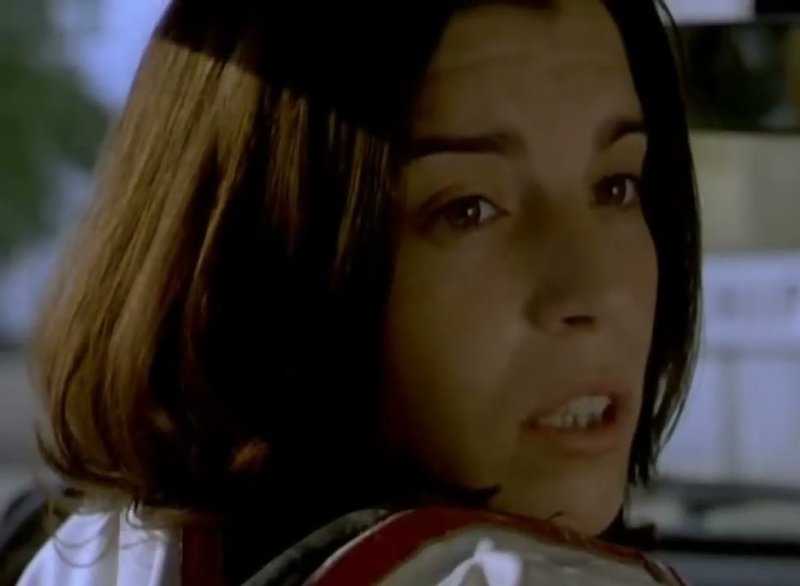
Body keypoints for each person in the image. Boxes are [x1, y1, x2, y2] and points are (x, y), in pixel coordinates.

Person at [14, 0, 700, 583]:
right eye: (468, 209)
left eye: (617, 187)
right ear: (279, 265)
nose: (595, 292)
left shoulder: (97, 555)